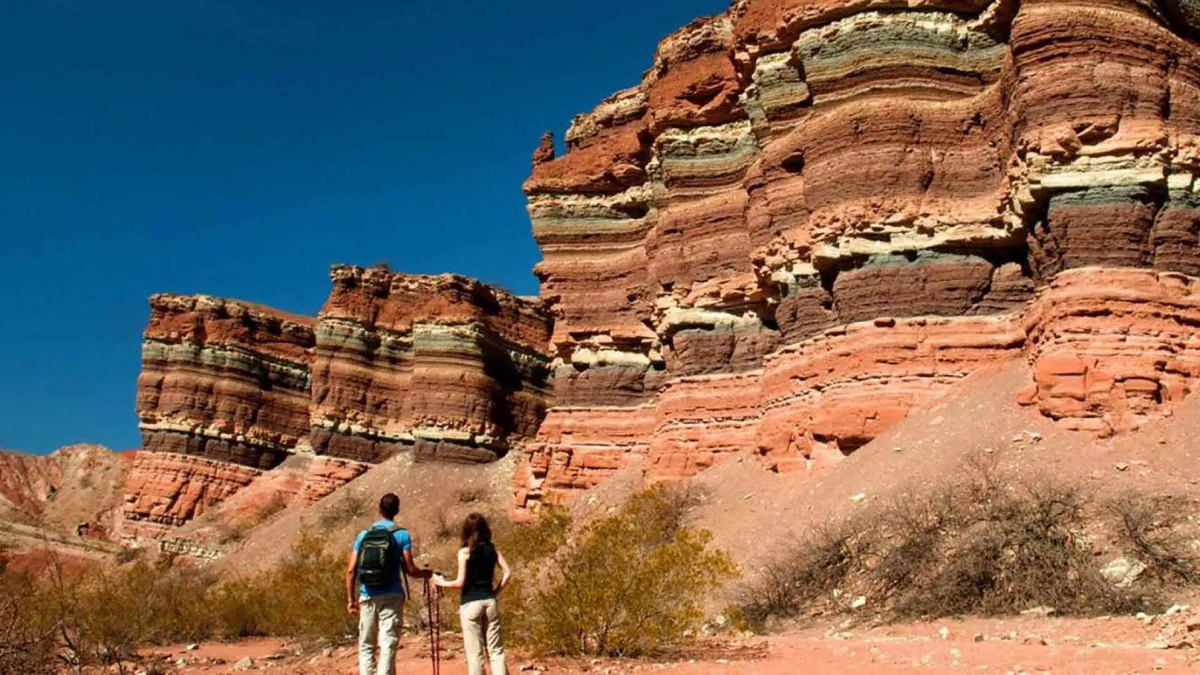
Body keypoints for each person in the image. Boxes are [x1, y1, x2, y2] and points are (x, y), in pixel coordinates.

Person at [346, 493, 433, 675]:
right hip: (392, 594)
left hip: (367, 595)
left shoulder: (364, 535)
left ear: (379, 509)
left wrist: (350, 600)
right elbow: (410, 569)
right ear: (397, 511)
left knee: (366, 645)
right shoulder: (401, 535)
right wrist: (426, 574)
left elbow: (351, 570)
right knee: (388, 643)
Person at [434, 513, 511, 675]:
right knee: (496, 651)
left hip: (470, 604)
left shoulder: (465, 552)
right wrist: (495, 591)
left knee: (475, 654)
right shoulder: (493, 549)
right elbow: (507, 573)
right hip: (490, 601)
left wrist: (441, 582)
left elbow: (460, 582)